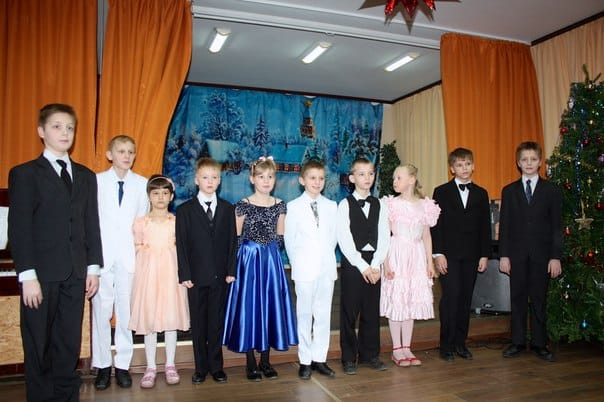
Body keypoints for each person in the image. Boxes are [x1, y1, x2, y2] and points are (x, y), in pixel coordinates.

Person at [8, 103, 103, 402]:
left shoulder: (86, 176)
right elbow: (19, 228)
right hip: (41, 275)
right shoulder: (25, 174)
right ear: (41, 131)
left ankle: (66, 397)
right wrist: (27, 276)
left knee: (68, 343)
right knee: (38, 343)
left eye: (70, 128)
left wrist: (93, 268)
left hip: (76, 274)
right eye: (57, 126)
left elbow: (91, 224)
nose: (65, 133)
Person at [223, 156, 298, 381]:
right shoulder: (243, 205)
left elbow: (280, 236)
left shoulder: (280, 205)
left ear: (275, 179)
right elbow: (235, 238)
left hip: (271, 261)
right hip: (248, 261)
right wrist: (247, 256)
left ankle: (265, 360)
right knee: (250, 306)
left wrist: (269, 250)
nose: (266, 181)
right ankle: (250, 361)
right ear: (252, 179)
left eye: (270, 177)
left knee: (269, 305)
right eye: (261, 176)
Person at [92, 135, 148, 390]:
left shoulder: (142, 184)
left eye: (130, 152)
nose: (126, 156)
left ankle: (123, 365)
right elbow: (91, 222)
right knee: (101, 312)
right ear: (109, 155)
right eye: (121, 151)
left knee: (126, 314)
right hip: (102, 259)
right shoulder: (96, 182)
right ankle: (103, 365)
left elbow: (142, 223)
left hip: (129, 259)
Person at [176, 157, 238, 384]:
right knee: (199, 324)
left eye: (214, 177)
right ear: (196, 180)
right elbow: (182, 245)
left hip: (220, 277)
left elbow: (232, 243)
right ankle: (200, 368)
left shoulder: (227, 209)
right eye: (205, 177)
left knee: (216, 323)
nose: (210, 181)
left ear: (219, 181)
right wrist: (185, 274)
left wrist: (231, 270)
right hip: (195, 278)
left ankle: (216, 367)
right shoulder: (185, 210)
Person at [499, 141, 562, 362]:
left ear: (540, 162)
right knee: (517, 298)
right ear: (518, 162)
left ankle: (539, 343)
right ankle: (517, 341)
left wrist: (555, 257)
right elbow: (505, 226)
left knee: (538, 299)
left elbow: (556, 226)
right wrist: (504, 255)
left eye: (533, 159)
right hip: (516, 255)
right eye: (524, 160)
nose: (529, 163)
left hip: (542, 256)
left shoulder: (551, 191)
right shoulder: (509, 191)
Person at [129, 175, 190, 388]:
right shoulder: (141, 223)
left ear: (171, 196)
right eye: (156, 193)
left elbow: (183, 248)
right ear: (149, 196)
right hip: (148, 277)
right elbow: (135, 247)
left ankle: (170, 364)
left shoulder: (177, 222)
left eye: (165, 193)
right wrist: (147, 255)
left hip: (171, 276)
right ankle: (151, 367)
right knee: (150, 320)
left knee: (171, 319)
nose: (160, 197)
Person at [431, 148, 491, 362]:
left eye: (467, 164)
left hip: (472, 255)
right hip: (449, 255)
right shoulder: (441, 192)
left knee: (465, 299)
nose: (464, 168)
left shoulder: (481, 193)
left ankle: (460, 343)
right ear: (452, 168)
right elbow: (436, 225)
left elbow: (485, 227)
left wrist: (484, 254)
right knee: (450, 298)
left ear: (473, 166)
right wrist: (438, 254)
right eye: (459, 165)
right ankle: (446, 345)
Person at [381, 164, 440, 367]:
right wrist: (386, 262)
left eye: (399, 177)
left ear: (412, 180)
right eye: (394, 178)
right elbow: (385, 235)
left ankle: (407, 347)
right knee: (397, 300)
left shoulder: (425, 206)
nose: (394, 181)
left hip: (416, 256)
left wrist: (429, 262)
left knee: (410, 301)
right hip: (397, 254)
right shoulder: (391, 204)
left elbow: (426, 236)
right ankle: (396, 349)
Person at [284, 160, 338, 380]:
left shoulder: (331, 206)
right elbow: (290, 241)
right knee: (304, 315)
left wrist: (325, 260)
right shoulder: (293, 207)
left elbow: (333, 238)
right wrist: (298, 264)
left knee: (323, 315)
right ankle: (305, 360)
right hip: (304, 270)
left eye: (321, 178)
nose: (317, 182)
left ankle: (319, 358)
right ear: (302, 180)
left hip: (326, 269)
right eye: (312, 178)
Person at [337, 157, 390, 375]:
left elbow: (384, 236)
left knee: (371, 310)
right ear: (352, 178)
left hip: (374, 262)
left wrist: (376, 264)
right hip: (354, 263)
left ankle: (370, 354)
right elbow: (344, 239)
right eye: (361, 174)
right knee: (350, 311)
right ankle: (349, 357)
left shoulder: (380, 204)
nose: (367, 178)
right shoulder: (345, 205)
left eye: (370, 173)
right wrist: (363, 266)